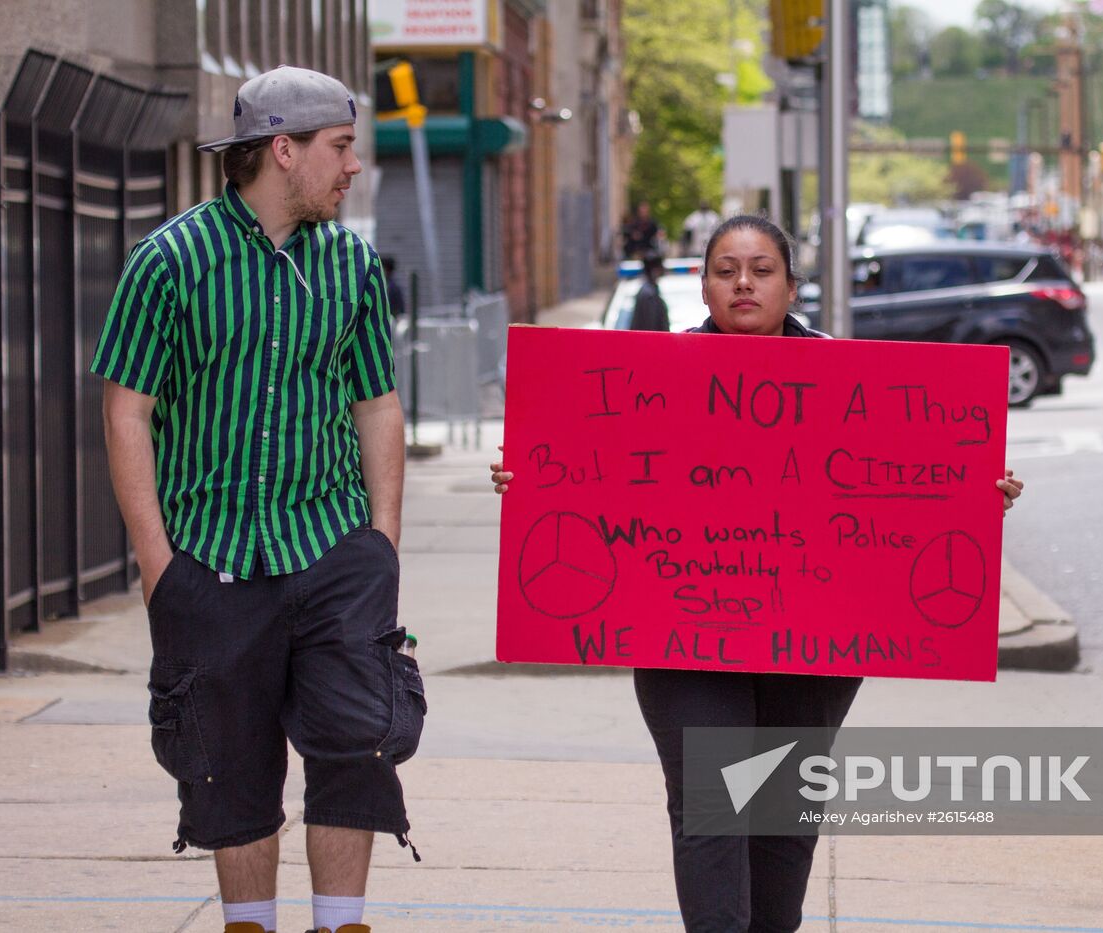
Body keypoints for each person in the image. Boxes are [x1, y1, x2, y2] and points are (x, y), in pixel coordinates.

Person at [489, 215, 1024, 931]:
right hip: (685, 638)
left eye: (762, 268)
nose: (744, 281)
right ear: (704, 285)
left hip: (815, 643)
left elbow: (921, 482)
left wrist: (979, 491)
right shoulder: (648, 377)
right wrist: (527, 478)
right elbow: (575, 466)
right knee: (712, 808)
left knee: (780, 814)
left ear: (791, 286)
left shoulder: (852, 378)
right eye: (726, 268)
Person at [92, 65, 423, 933]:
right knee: (229, 767)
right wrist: (159, 565)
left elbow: (377, 403)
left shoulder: (350, 266)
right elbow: (127, 412)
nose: (352, 167)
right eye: (341, 148)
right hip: (213, 560)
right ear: (284, 150)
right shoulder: (166, 263)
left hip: (334, 548)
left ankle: (342, 923)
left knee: (358, 744)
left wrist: (381, 541)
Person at [628, 253, 670, 331]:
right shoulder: (649, 295)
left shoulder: (649, 292)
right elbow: (651, 327)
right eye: (660, 268)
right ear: (654, 270)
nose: (662, 271)